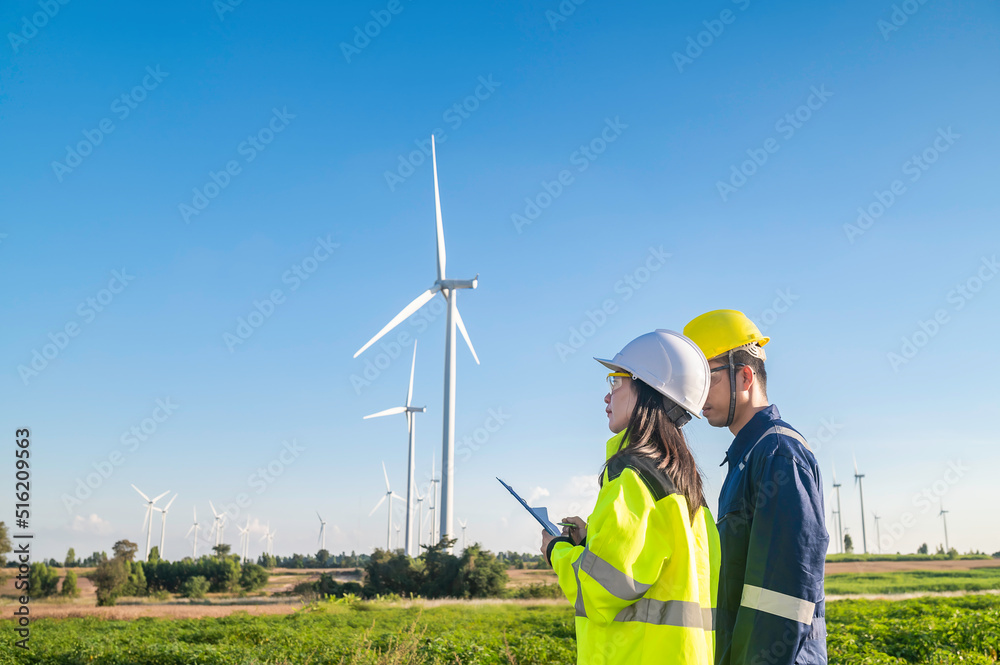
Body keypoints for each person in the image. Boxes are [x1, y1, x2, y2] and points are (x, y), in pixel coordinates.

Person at [541, 330, 720, 665]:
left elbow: (599, 592)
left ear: (646, 388)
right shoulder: (688, 490)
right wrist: (589, 539)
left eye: (615, 382)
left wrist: (557, 550)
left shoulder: (632, 477)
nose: (607, 397)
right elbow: (643, 572)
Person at [682, 310, 828, 665]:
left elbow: (785, 595)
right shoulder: (750, 456)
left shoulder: (778, 454)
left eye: (708, 377)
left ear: (745, 376)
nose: (698, 394)